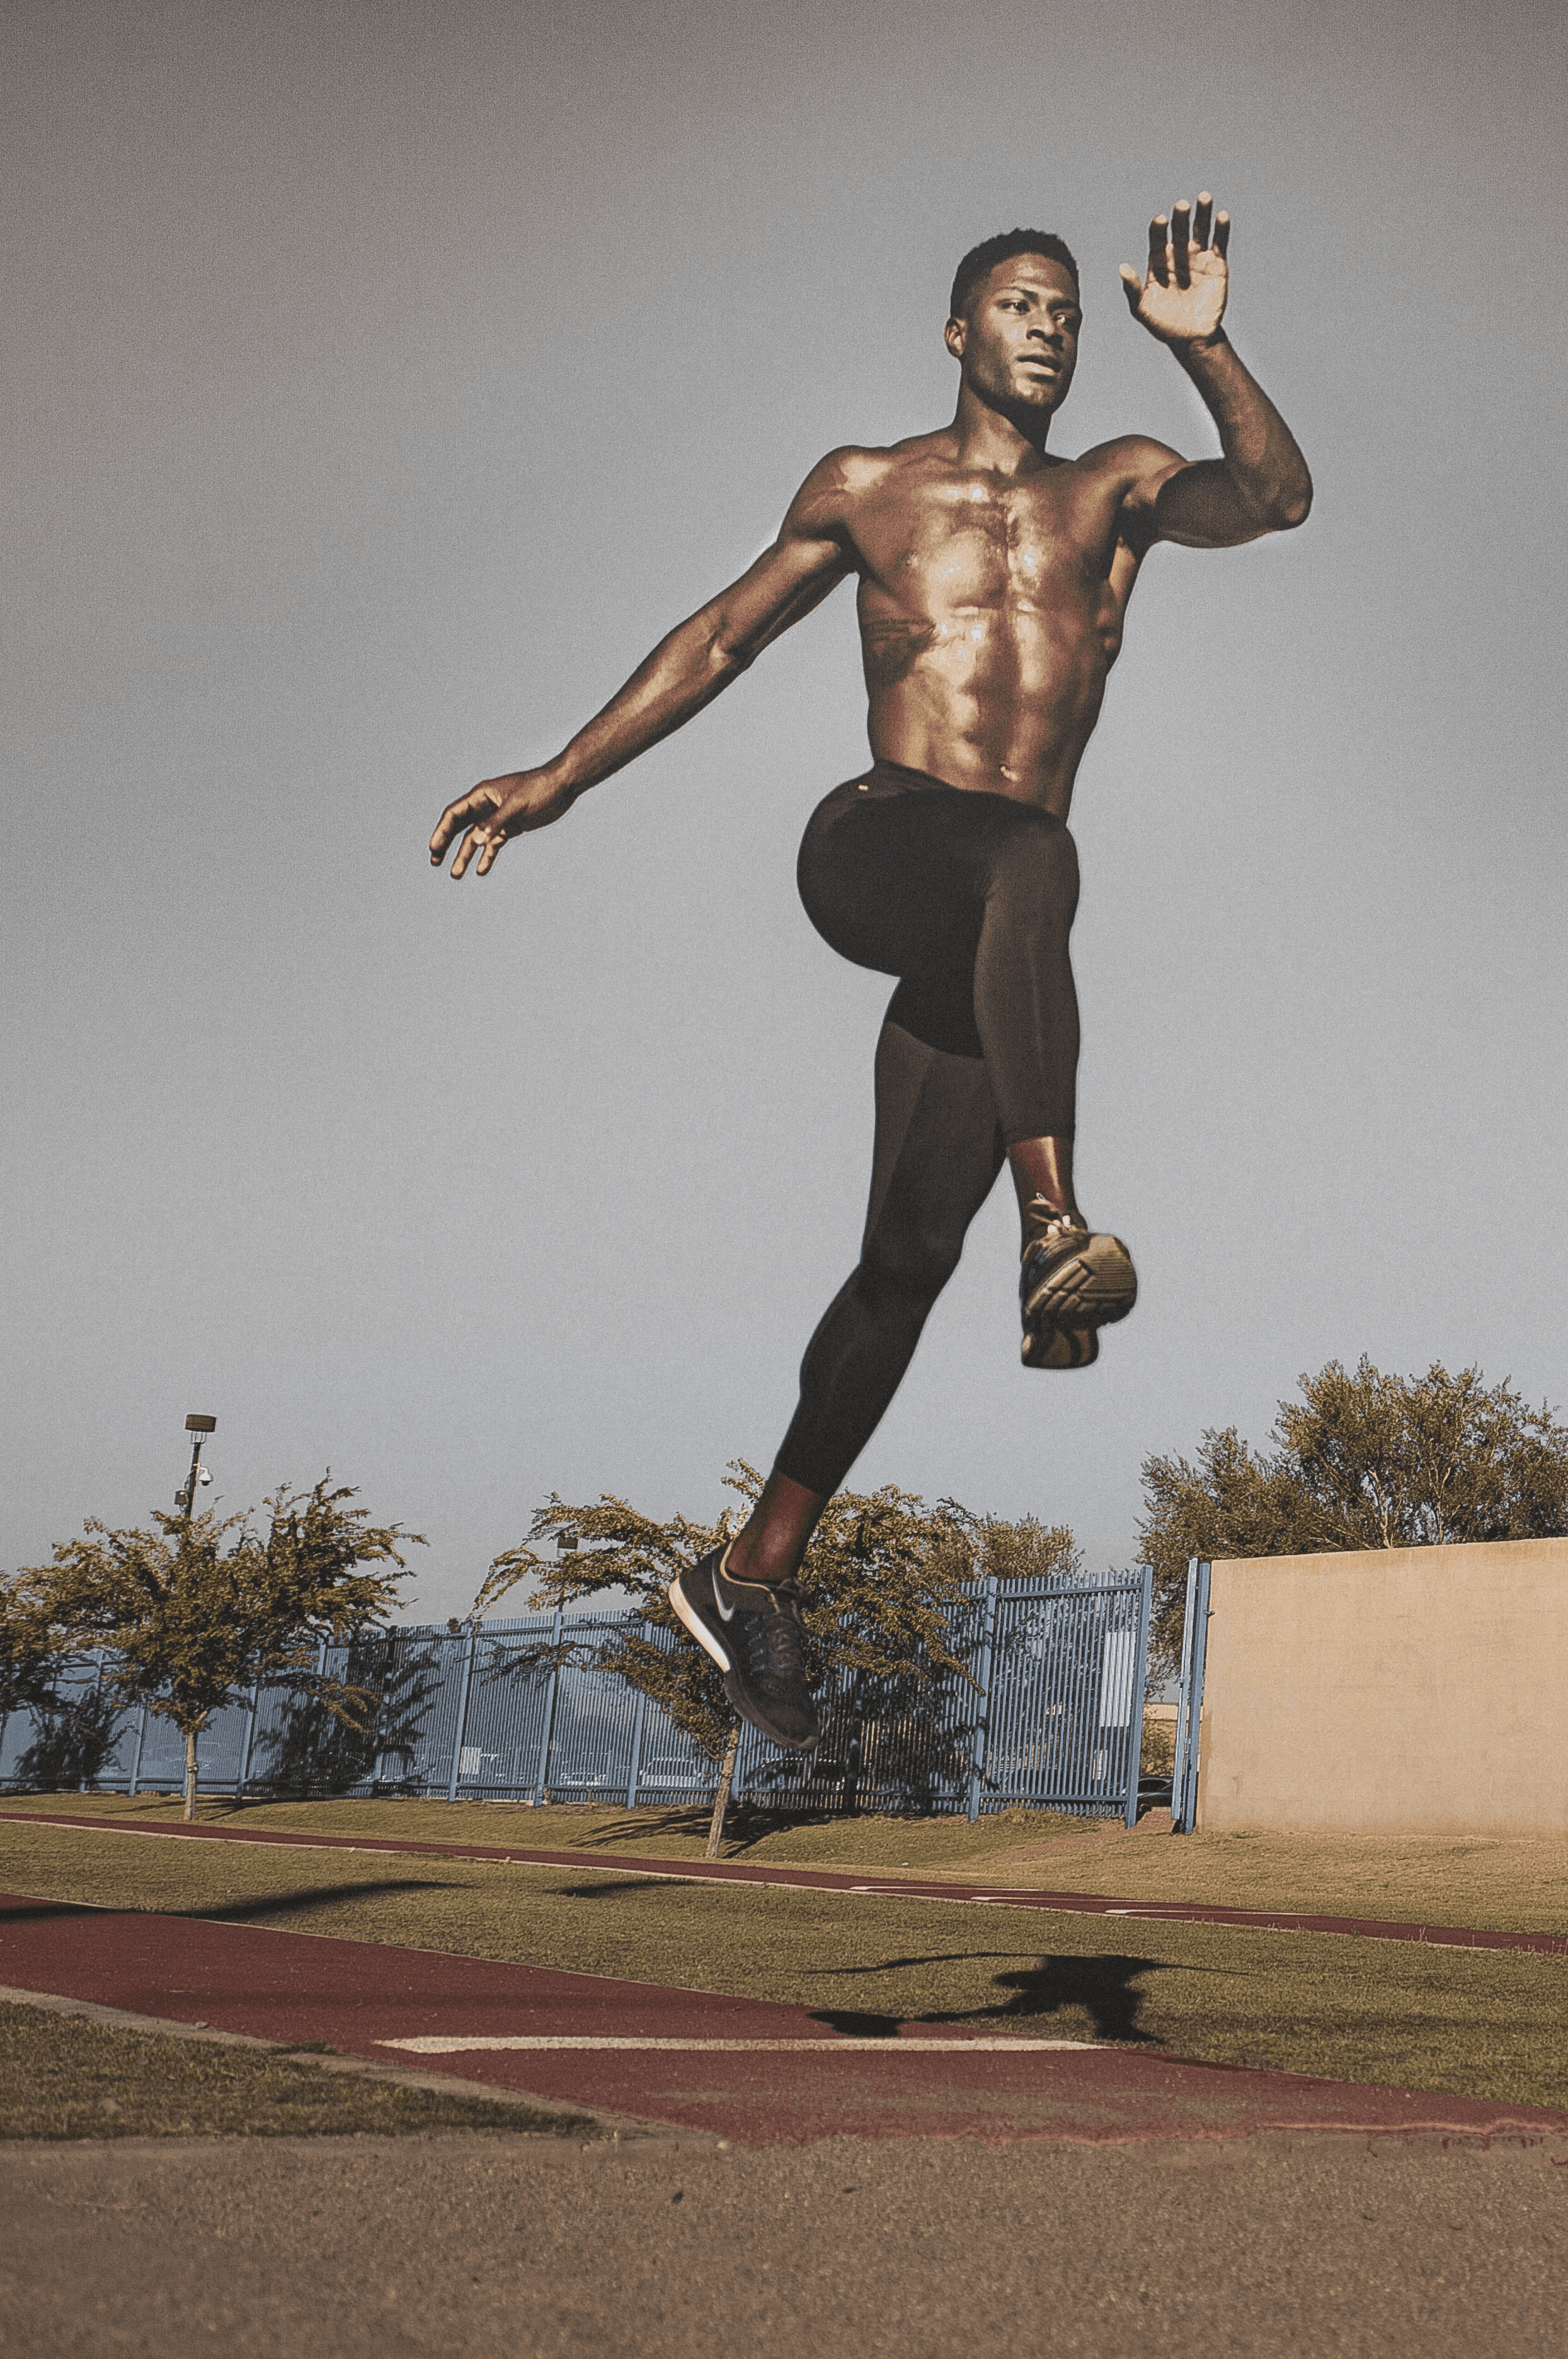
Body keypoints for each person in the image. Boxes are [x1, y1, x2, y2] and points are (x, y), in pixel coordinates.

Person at [430, 196, 1312, 1753]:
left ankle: (750, 1566)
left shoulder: (1113, 491)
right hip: (877, 848)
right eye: (1021, 304)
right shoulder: (867, 486)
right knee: (1032, 859)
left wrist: (1208, 347)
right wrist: (561, 776)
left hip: (991, 929)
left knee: (905, 1257)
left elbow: (1274, 495)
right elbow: (719, 639)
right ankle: (1057, 1222)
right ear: (961, 330)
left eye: (1070, 313)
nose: (1049, 325)